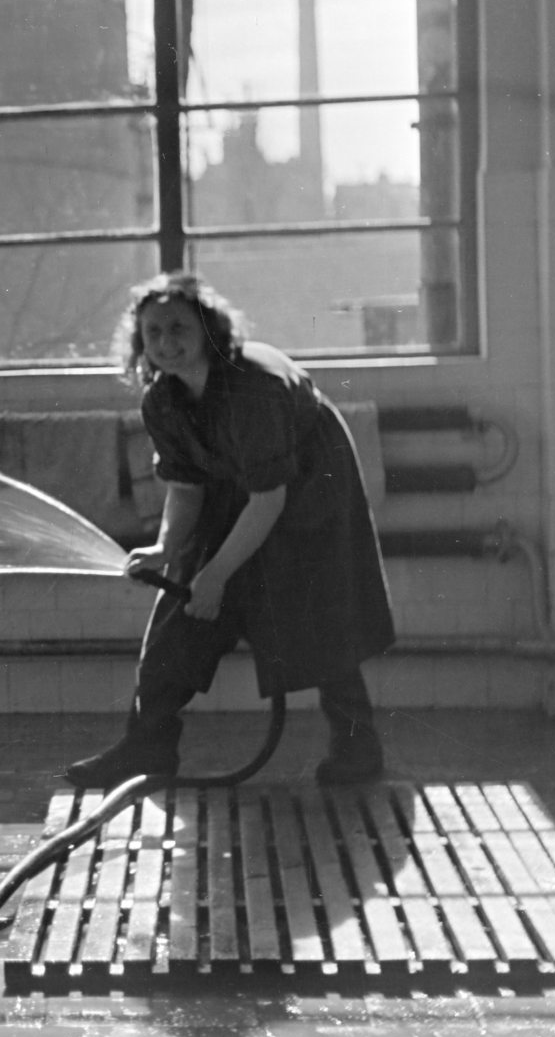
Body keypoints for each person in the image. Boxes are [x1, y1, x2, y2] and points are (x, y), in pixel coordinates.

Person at [65, 271, 395, 790]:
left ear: (207, 328)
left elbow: (270, 500)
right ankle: (147, 745)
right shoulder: (163, 401)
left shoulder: (252, 389)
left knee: (320, 614)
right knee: (180, 603)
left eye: (179, 329)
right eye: (153, 334)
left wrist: (217, 575)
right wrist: (168, 547)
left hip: (310, 492)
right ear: (139, 342)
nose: (167, 344)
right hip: (239, 490)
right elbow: (186, 488)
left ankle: (358, 746)